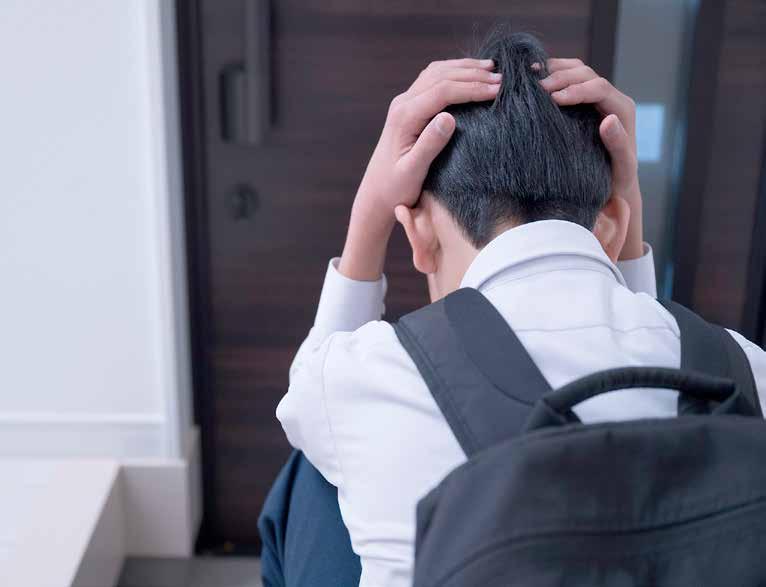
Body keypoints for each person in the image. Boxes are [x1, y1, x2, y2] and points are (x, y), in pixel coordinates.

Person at [270, 31, 766, 587]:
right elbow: (641, 347)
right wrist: (625, 208)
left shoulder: (369, 375)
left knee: (310, 476)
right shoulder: (745, 372)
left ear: (417, 233)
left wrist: (371, 209)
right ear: (614, 225)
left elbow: (303, 400)